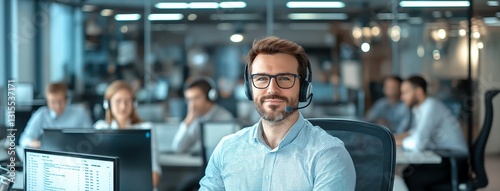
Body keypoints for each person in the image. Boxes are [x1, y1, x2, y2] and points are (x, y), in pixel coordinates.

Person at [199, 36, 356, 190]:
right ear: (249, 88)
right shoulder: (227, 149)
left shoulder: (329, 155)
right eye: (261, 78)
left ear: (303, 88)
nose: (272, 89)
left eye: (285, 79)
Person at [396, 76, 468, 191]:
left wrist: (397, 142)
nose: (402, 97)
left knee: (414, 177)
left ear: (418, 92)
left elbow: (419, 142)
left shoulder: (431, 106)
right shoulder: (420, 109)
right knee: (408, 171)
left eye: (405, 92)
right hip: (444, 158)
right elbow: (415, 133)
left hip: (454, 162)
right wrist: (394, 138)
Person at [93, 80, 161, 188]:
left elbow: (154, 177)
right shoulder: (100, 128)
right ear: (108, 105)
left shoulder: (146, 128)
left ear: (134, 104)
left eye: (127, 101)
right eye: (118, 101)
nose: (123, 106)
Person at [19, 82, 92, 149]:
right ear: (47, 101)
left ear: (66, 98)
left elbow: (91, 137)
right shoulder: (41, 114)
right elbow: (24, 140)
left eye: (60, 101)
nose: (57, 106)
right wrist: (38, 144)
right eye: (53, 102)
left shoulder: (80, 113)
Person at [172, 77, 234, 153]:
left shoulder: (225, 118)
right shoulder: (195, 119)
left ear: (210, 96)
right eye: (189, 100)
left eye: (196, 98)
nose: (192, 105)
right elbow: (178, 148)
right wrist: (188, 119)